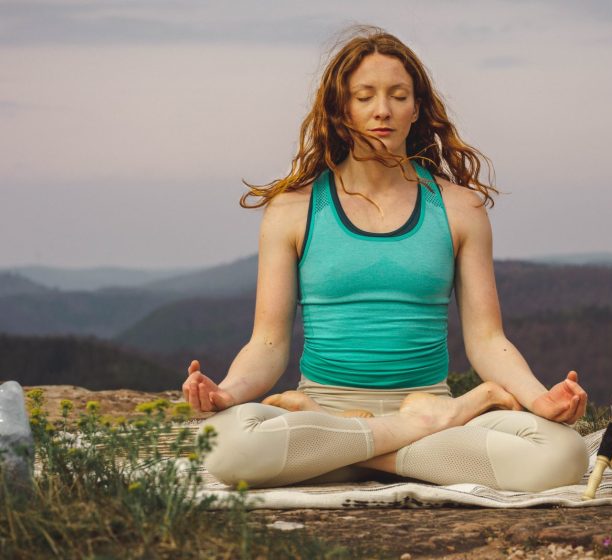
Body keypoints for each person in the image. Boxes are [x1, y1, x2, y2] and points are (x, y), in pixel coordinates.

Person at [181, 26, 589, 491]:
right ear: (341, 108)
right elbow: (268, 344)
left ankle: (347, 456)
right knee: (221, 443)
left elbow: (487, 339)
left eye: (398, 96)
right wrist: (226, 393)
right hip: (343, 413)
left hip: (406, 406)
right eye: (365, 96)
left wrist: (538, 400)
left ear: (416, 108)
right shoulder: (293, 209)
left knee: (564, 454)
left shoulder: (458, 209)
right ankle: (415, 433)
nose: (383, 110)